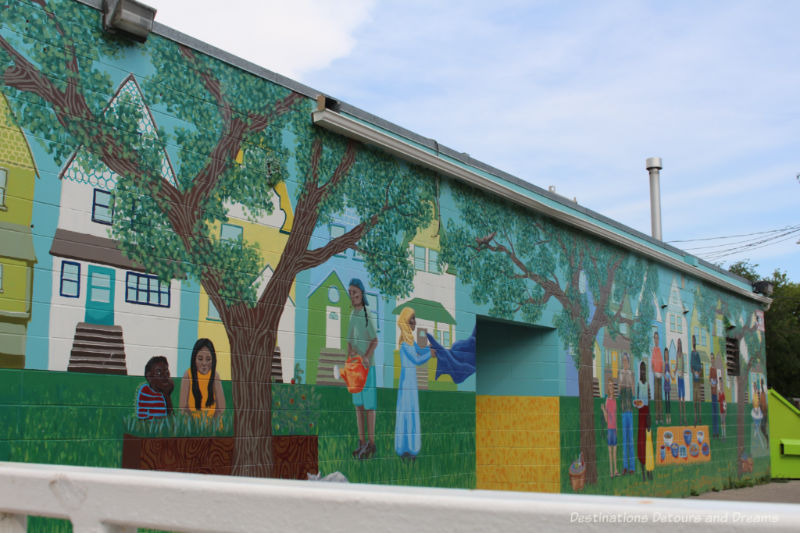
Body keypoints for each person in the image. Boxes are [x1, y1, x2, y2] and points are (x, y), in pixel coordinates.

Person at [335, 278, 379, 460]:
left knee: (369, 406)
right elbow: (349, 341)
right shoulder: (352, 315)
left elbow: (374, 340)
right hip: (355, 368)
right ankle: (361, 442)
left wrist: (367, 357)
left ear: (362, 293)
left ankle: (371, 443)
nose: (352, 295)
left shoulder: (368, 314)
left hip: (367, 368)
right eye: (350, 292)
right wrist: (349, 356)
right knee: (358, 405)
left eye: (355, 292)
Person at [394, 307, 435, 461]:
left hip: (411, 381)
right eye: (412, 319)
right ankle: (405, 449)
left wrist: (429, 349)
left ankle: (410, 448)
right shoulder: (405, 343)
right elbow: (417, 360)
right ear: (406, 321)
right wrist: (430, 355)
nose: (415, 322)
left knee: (411, 412)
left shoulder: (410, 340)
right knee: (406, 412)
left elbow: (420, 350)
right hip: (407, 382)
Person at [179, 338, 225, 418]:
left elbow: (221, 409)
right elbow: (183, 408)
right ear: (194, 359)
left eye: (208, 359)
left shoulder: (215, 376)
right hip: (193, 426)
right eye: (200, 359)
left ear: (213, 360)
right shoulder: (188, 375)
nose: (204, 363)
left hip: (213, 427)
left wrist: (212, 427)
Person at [618, 353, 635, 476]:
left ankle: (632, 467)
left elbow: (632, 389)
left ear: (628, 362)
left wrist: (627, 382)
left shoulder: (630, 373)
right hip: (623, 410)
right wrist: (623, 381)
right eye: (623, 360)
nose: (624, 363)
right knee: (624, 440)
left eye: (626, 360)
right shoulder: (621, 373)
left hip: (630, 410)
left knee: (631, 440)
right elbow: (619, 389)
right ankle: (625, 466)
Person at [635, 359, 652, 482]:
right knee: (641, 441)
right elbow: (637, 400)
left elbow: (649, 401)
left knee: (648, 442)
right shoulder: (639, 384)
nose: (642, 371)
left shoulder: (647, 385)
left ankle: (649, 470)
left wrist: (649, 417)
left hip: (646, 413)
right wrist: (637, 404)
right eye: (641, 369)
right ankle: (642, 471)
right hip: (640, 412)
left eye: (644, 369)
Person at [601, 377, 618, 478]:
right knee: (610, 453)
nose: (611, 387)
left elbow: (615, 415)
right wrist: (603, 410)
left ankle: (615, 471)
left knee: (615, 452)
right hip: (609, 430)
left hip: (615, 429)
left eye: (612, 385)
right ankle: (611, 472)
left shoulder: (615, 400)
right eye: (609, 385)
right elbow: (607, 419)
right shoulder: (607, 400)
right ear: (608, 387)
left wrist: (617, 429)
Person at [651, 331, 663, 424]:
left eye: (657, 338)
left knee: (660, 396)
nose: (656, 339)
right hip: (655, 376)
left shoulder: (659, 350)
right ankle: (657, 417)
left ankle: (660, 417)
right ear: (653, 339)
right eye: (655, 338)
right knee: (656, 396)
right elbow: (652, 364)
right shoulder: (653, 350)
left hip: (660, 376)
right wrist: (654, 373)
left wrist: (661, 372)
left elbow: (661, 363)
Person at [690, 335, 703, 426]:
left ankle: (700, 418)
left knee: (699, 400)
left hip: (698, 381)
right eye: (692, 340)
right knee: (695, 400)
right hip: (694, 381)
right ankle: (695, 419)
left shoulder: (697, 354)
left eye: (695, 340)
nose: (694, 342)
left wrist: (699, 372)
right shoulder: (691, 353)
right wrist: (694, 371)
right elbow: (691, 367)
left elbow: (701, 366)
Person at [676, 337, 686, 424]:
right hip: (678, 378)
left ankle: (685, 418)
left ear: (681, 345)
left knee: (683, 398)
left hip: (682, 379)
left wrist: (682, 372)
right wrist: (674, 371)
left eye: (679, 343)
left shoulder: (682, 354)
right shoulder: (676, 354)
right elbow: (676, 365)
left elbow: (683, 365)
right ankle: (680, 418)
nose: (678, 344)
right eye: (677, 343)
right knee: (679, 398)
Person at [709, 353, 719, 438]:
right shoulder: (710, 369)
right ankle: (714, 432)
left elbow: (716, 381)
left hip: (716, 394)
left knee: (716, 413)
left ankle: (717, 432)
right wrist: (712, 382)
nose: (712, 360)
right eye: (711, 358)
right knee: (713, 414)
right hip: (712, 394)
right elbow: (710, 380)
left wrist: (714, 382)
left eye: (712, 358)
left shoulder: (715, 369)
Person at [663, 346, 672, 425]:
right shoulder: (664, 363)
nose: (666, 354)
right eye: (665, 353)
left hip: (668, 383)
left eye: (667, 353)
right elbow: (663, 373)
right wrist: (665, 377)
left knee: (669, 400)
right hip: (665, 383)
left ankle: (669, 416)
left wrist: (670, 377)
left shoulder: (668, 363)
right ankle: (666, 417)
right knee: (666, 400)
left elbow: (670, 372)